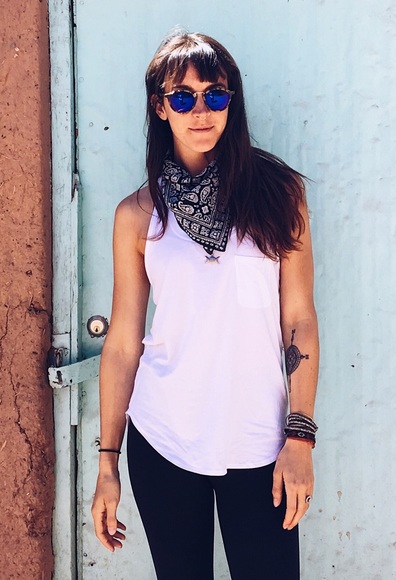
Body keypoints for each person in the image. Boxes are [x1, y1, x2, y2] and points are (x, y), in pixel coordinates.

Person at [90, 30, 319, 580]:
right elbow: (122, 344)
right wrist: (107, 463)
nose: (200, 111)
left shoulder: (278, 194)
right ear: (159, 107)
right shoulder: (137, 216)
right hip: (164, 437)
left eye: (214, 95)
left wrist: (300, 438)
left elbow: (299, 320)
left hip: (260, 442)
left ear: (230, 102)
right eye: (183, 97)